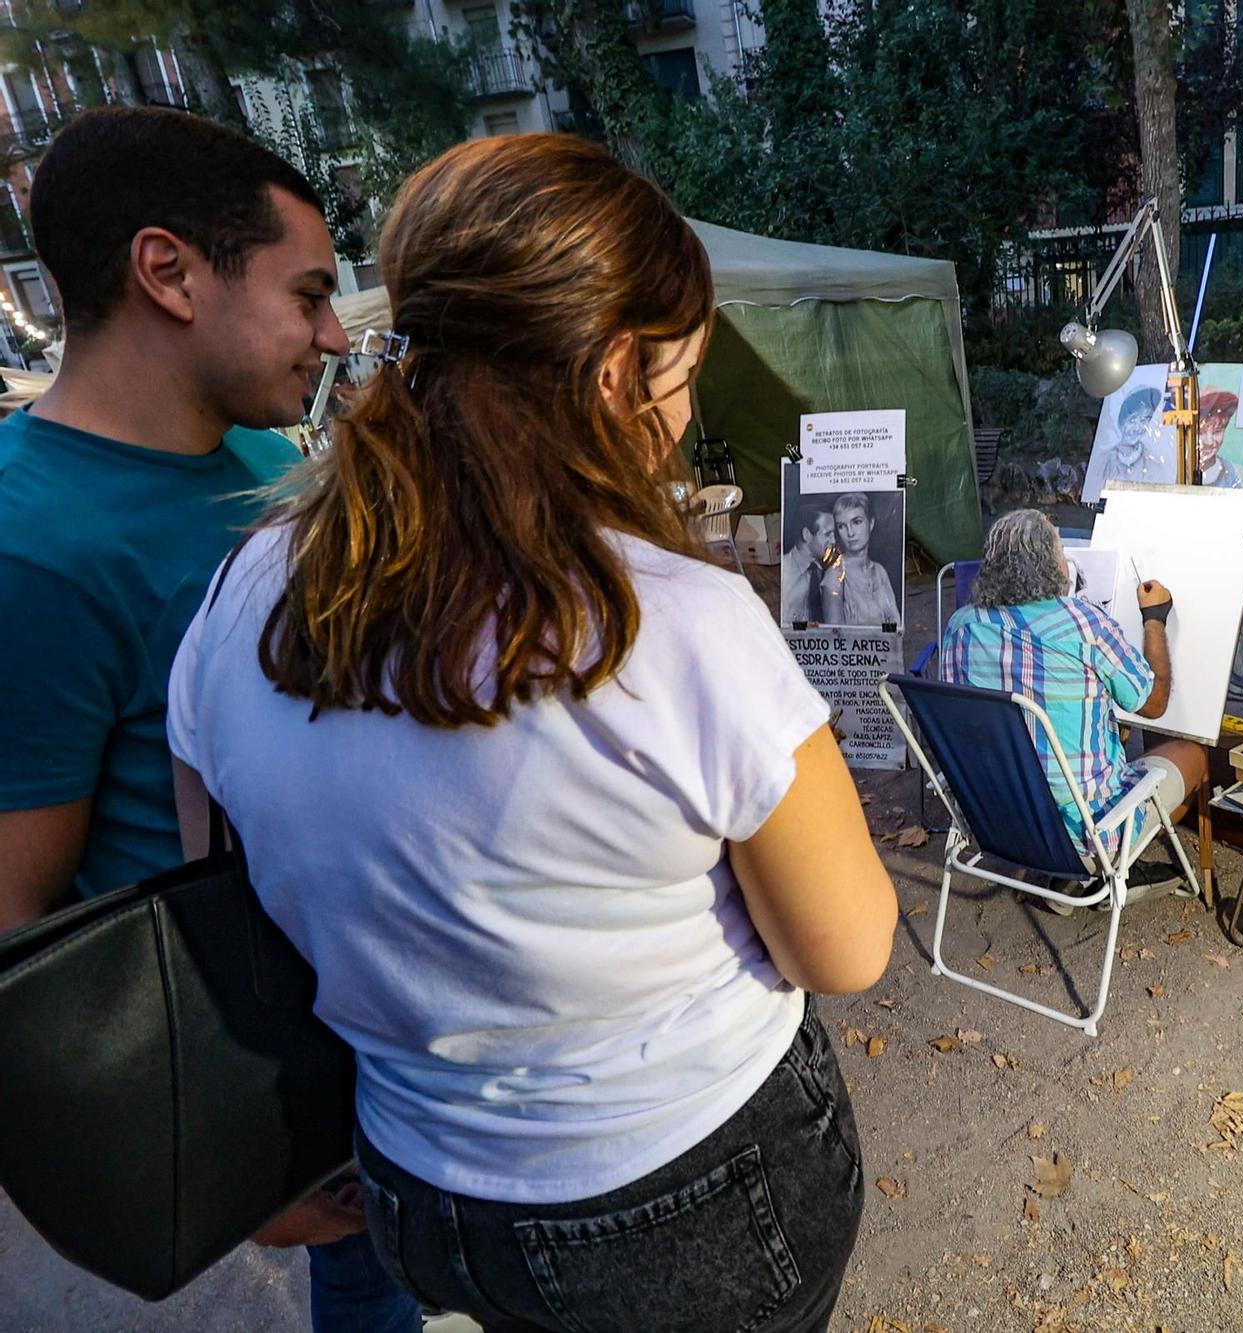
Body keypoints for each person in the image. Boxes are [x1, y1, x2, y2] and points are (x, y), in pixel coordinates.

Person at [167, 134, 898, 1333]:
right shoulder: (680, 623)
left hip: (418, 1181)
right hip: (684, 1191)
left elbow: (230, 879)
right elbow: (848, 948)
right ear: (616, 372)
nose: (683, 408)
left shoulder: (244, 590)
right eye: (684, 371)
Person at [0, 108, 418, 1330]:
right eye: (307, 293)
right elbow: (18, 937)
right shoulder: (34, 551)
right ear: (169, 274)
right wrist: (241, 1173)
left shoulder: (259, 451)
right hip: (273, 1096)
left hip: (377, 1043)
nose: (336, 334)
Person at [939, 509, 1206, 906]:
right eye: (1062, 552)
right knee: (1193, 755)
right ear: (1053, 566)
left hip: (994, 821)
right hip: (1082, 837)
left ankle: (1068, 883)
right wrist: (1154, 620)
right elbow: (1153, 704)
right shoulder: (1083, 624)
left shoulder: (961, 626)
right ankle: (1100, 877)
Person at [820, 491, 900, 629]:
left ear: (871, 523)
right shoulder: (834, 577)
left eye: (856, 522)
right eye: (841, 526)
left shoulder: (879, 571)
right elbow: (835, 641)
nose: (850, 533)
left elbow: (897, 627)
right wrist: (853, 631)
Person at [781, 504, 835, 624]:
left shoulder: (827, 572)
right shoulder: (782, 573)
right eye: (827, 534)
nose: (834, 541)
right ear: (807, 534)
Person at [1103, 385, 1165, 483]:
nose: (1137, 428)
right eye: (1132, 420)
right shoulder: (1104, 461)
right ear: (1120, 421)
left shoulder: (1154, 464)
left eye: (1144, 420)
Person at [1196, 389, 1243, 488]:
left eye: (1216, 431)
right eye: (1200, 432)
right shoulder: (1171, 471)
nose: (1209, 442)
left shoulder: (1235, 474)